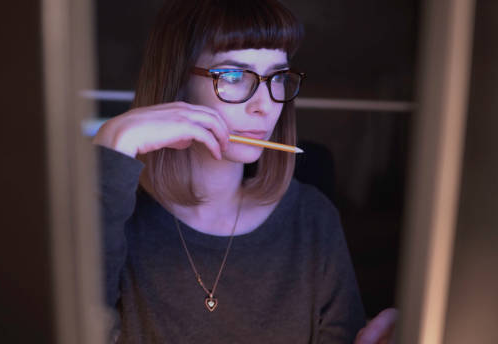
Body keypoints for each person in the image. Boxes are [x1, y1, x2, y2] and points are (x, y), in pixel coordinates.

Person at [94, 0, 396, 342]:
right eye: (234, 75)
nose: (264, 106)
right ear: (177, 81)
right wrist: (112, 147)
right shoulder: (114, 217)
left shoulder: (313, 218)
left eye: (277, 77)